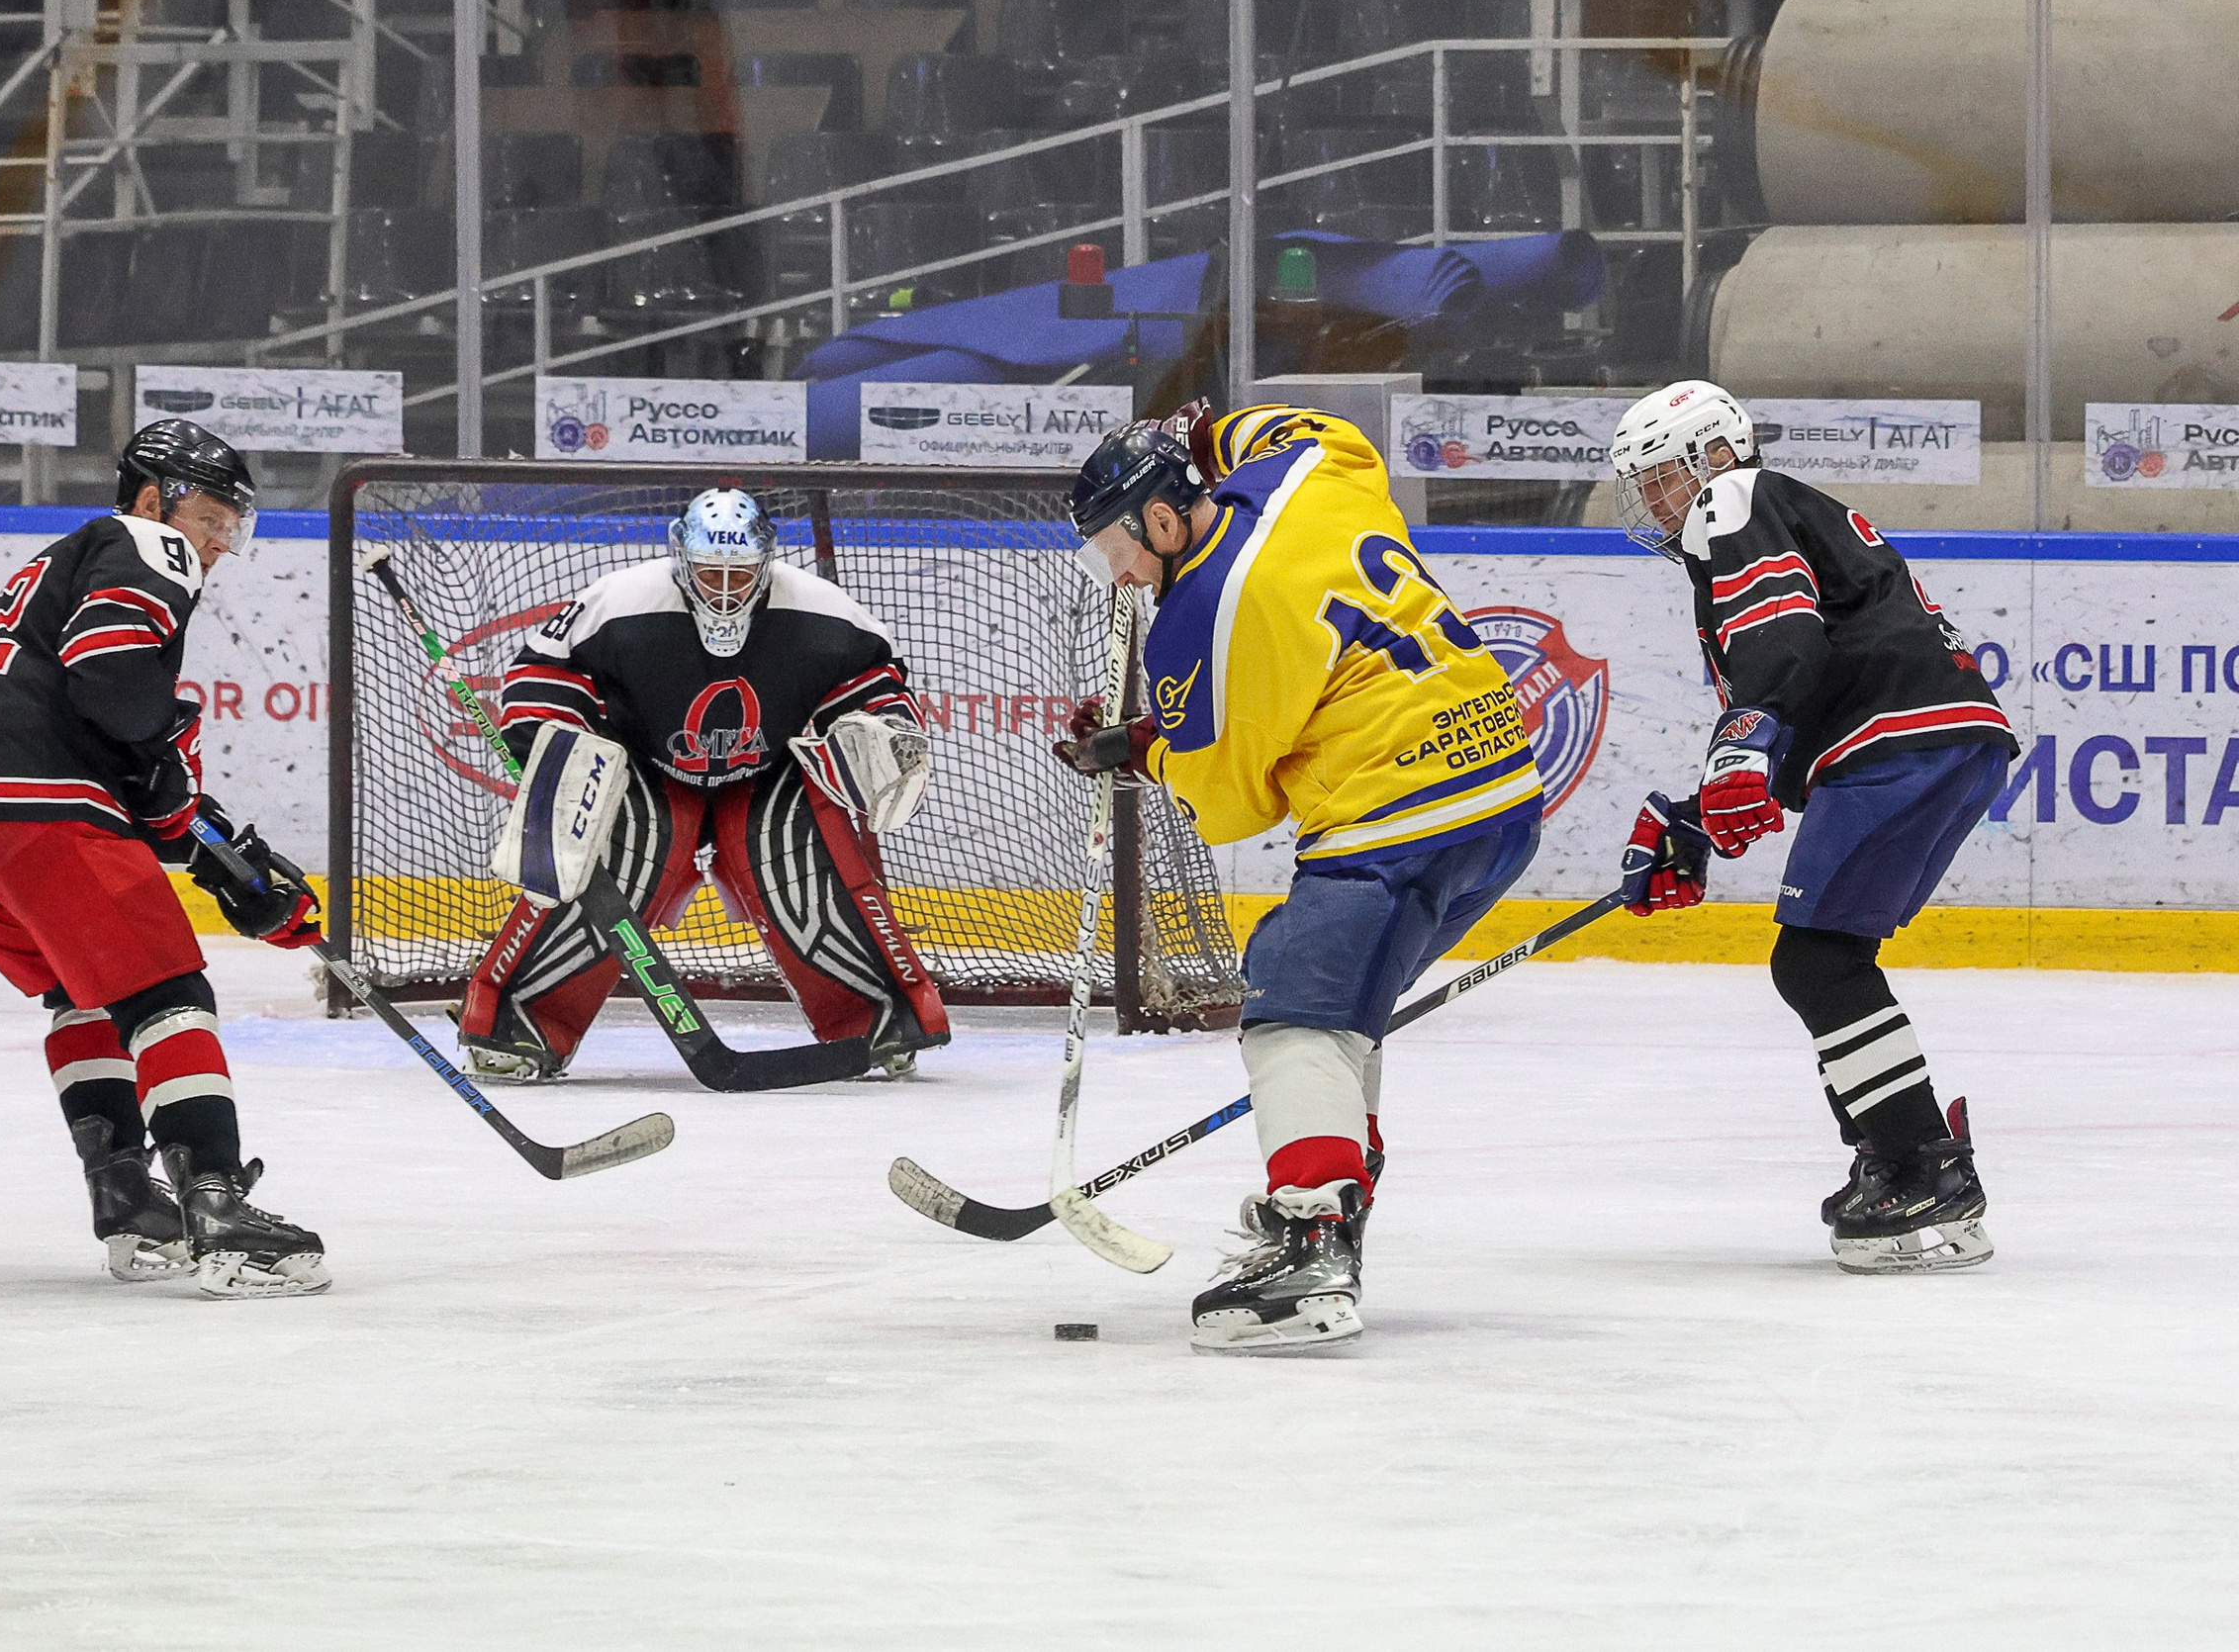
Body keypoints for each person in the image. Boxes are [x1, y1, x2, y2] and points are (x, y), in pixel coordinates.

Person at [1058, 404, 1541, 1353]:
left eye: (1115, 548)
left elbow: (1233, 803)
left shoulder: (1199, 619)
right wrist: (1202, 429)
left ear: (1163, 520)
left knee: (1293, 1005)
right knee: (1343, 1013)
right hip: (1504, 800)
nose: (1116, 575)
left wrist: (1145, 751)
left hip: (1401, 816)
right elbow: (1327, 431)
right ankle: (1336, 1196)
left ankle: (1313, 1237)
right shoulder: (1301, 473)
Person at [0, 420, 330, 1299]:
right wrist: (176, 780)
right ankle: (218, 1207)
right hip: (33, 805)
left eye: (232, 525)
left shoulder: (59, 567)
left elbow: (133, 767)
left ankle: (128, 1198)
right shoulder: (143, 541)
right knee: (165, 990)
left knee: (83, 988)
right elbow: (114, 682)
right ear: (153, 499)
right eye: (210, 516)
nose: (218, 541)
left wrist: (221, 856)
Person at [1609, 380, 2016, 1274]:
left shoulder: (1733, 498)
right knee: (1826, 960)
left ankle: (1923, 1168)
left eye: (1662, 476)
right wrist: (1699, 818)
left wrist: (1741, 743)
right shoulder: (1766, 516)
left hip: (1903, 739)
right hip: (1932, 735)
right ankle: (1896, 1153)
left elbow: (1784, 637)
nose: (1653, 499)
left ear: (1715, 455)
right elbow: (1809, 674)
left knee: (1817, 962)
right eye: (1644, 484)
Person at [456, 487, 950, 1082]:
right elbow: (543, 672)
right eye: (709, 571)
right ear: (681, 559)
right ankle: (520, 1023)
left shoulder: (824, 611)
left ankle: (875, 1019)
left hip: (767, 773)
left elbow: (875, 684)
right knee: (616, 845)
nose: (724, 589)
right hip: (644, 768)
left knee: (798, 851)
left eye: (740, 573)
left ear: (766, 562)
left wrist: (882, 731)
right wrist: (549, 735)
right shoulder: (620, 600)